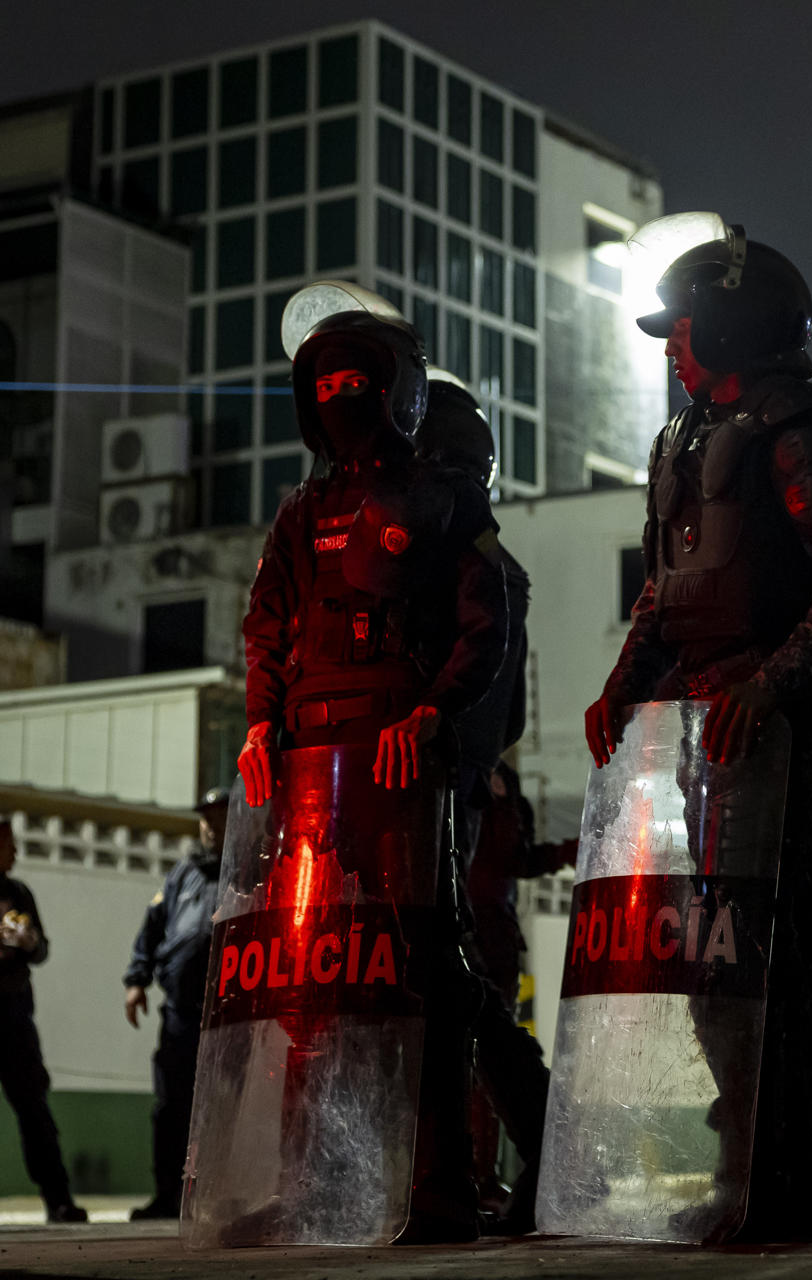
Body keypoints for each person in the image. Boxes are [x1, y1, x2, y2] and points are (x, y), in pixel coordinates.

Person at [584, 215, 812, 1242]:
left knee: (784, 954)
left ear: (731, 323)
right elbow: (663, 594)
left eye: (682, 326)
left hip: (778, 736)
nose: (671, 347)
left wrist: (774, 684)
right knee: (721, 954)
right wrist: (622, 688)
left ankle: (790, 1175)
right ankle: (748, 1163)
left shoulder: (796, 427)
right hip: (704, 732)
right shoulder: (682, 439)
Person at [234, 289, 508, 1243]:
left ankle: (439, 1187)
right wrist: (259, 725)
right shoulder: (299, 514)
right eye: (324, 385)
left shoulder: (443, 499)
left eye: (357, 381)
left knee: (419, 970)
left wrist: (433, 712)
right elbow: (265, 628)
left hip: (400, 774)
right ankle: (310, 1180)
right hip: (308, 773)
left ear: (395, 391)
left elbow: (485, 626)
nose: (340, 397)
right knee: (308, 975)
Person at [412, 374, 553, 1236]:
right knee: (446, 975)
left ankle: (503, 1153)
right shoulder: (503, 567)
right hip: (454, 789)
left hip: (409, 785)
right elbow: (517, 719)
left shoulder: (432, 549)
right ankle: (526, 1149)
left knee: (434, 977)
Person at [122, 789, 226, 1220]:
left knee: (224, 1107)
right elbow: (152, 928)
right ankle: (168, 1197)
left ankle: (222, 1199)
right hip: (181, 1015)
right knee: (170, 1106)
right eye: (205, 819)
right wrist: (136, 980)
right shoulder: (183, 874)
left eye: (219, 817)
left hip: (228, 1016)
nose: (211, 826)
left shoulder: (249, 870)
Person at [0, 819, 87, 1223]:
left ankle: (58, 1199)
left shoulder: (19, 893)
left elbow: (42, 949)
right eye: (8, 844)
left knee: (34, 1108)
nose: (15, 852)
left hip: (15, 1017)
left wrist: (30, 942)